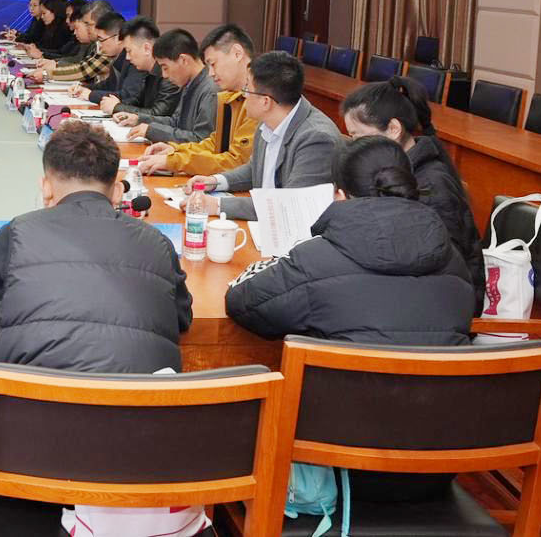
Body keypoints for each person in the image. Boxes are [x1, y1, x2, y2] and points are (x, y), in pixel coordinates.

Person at [0, 121, 200, 534]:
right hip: (136, 443)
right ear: (117, 190)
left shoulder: (18, 233)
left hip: (29, 446)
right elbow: (181, 318)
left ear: (46, 187)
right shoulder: (157, 242)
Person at [225, 137, 474, 503]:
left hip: (333, 472)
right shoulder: (451, 258)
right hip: (438, 466)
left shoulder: (316, 259)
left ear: (339, 195)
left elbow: (242, 301)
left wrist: (279, 263)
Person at [342, 77, 485, 311]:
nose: (353, 146)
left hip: (444, 307)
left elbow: (447, 271)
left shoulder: (432, 185)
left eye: (358, 136)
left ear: (393, 129)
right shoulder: (399, 168)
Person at [189, 51, 344, 221]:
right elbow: (255, 169)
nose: (244, 95)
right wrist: (215, 181)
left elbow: (288, 205)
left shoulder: (317, 139)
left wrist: (217, 205)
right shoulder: (267, 122)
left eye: (247, 89)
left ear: (265, 102)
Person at [135, 24, 258, 177]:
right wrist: (176, 150)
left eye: (213, 64)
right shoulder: (231, 96)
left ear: (237, 54)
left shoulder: (257, 98)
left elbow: (237, 162)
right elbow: (215, 143)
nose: (211, 73)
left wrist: (176, 161)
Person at [113, 28, 217, 146]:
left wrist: (152, 131)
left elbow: (201, 140)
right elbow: (175, 122)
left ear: (183, 60)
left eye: (165, 67)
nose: (164, 75)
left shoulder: (210, 90)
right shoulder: (189, 83)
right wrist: (138, 119)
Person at [98, 17, 180, 119]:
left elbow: (158, 114)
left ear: (147, 48)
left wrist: (117, 107)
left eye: (129, 51)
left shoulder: (169, 74)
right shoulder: (149, 72)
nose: (127, 58)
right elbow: (138, 101)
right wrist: (116, 104)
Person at [35, 5, 122, 88]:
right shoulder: (98, 44)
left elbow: (83, 70)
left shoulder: (109, 49)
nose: (86, 28)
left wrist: (47, 73)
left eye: (88, 24)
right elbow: (81, 63)